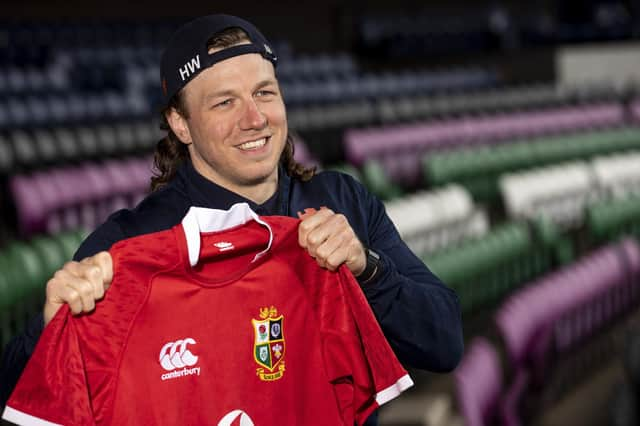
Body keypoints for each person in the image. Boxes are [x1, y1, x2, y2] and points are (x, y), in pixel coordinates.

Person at [0, 14, 463, 425]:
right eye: (224, 103)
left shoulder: (342, 201)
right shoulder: (130, 245)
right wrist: (52, 326)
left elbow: (444, 342)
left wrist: (367, 268)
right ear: (181, 124)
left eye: (265, 92)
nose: (255, 117)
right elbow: (14, 395)